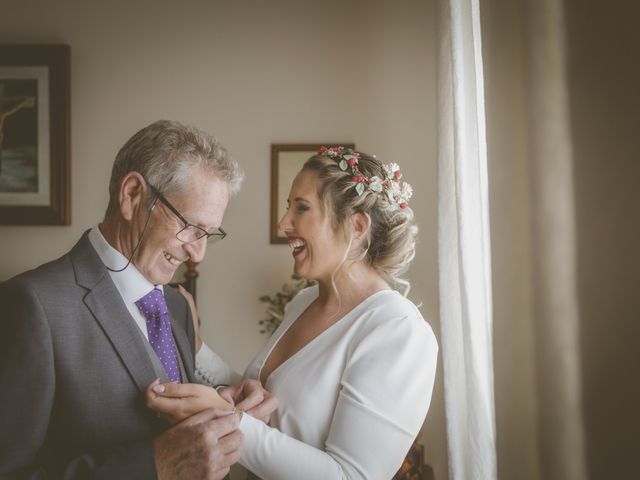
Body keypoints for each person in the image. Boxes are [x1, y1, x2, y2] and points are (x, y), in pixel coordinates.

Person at [0, 120, 276, 479]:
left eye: (209, 234)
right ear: (132, 195)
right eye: (190, 227)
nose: (198, 254)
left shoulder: (176, 306)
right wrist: (153, 466)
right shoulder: (32, 304)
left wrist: (223, 398)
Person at [147, 147, 439, 479]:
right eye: (289, 207)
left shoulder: (397, 330)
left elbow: (351, 476)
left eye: (301, 208)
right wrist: (196, 346)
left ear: (357, 226)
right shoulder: (304, 301)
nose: (283, 223)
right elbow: (265, 407)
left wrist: (228, 420)